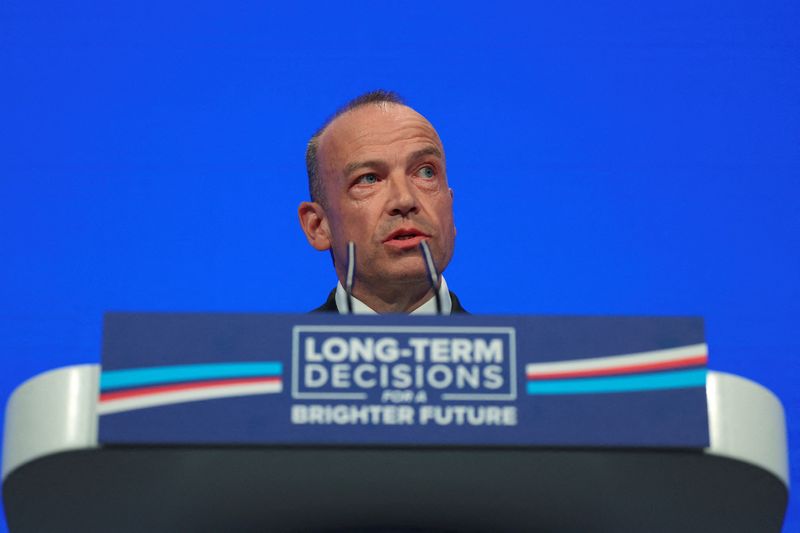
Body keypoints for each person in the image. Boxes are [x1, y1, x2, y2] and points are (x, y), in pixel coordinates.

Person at [298, 90, 466, 314]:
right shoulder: (270, 350)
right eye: (369, 179)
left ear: (450, 206)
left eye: (425, 172)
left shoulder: (517, 348)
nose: (405, 200)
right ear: (318, 226)